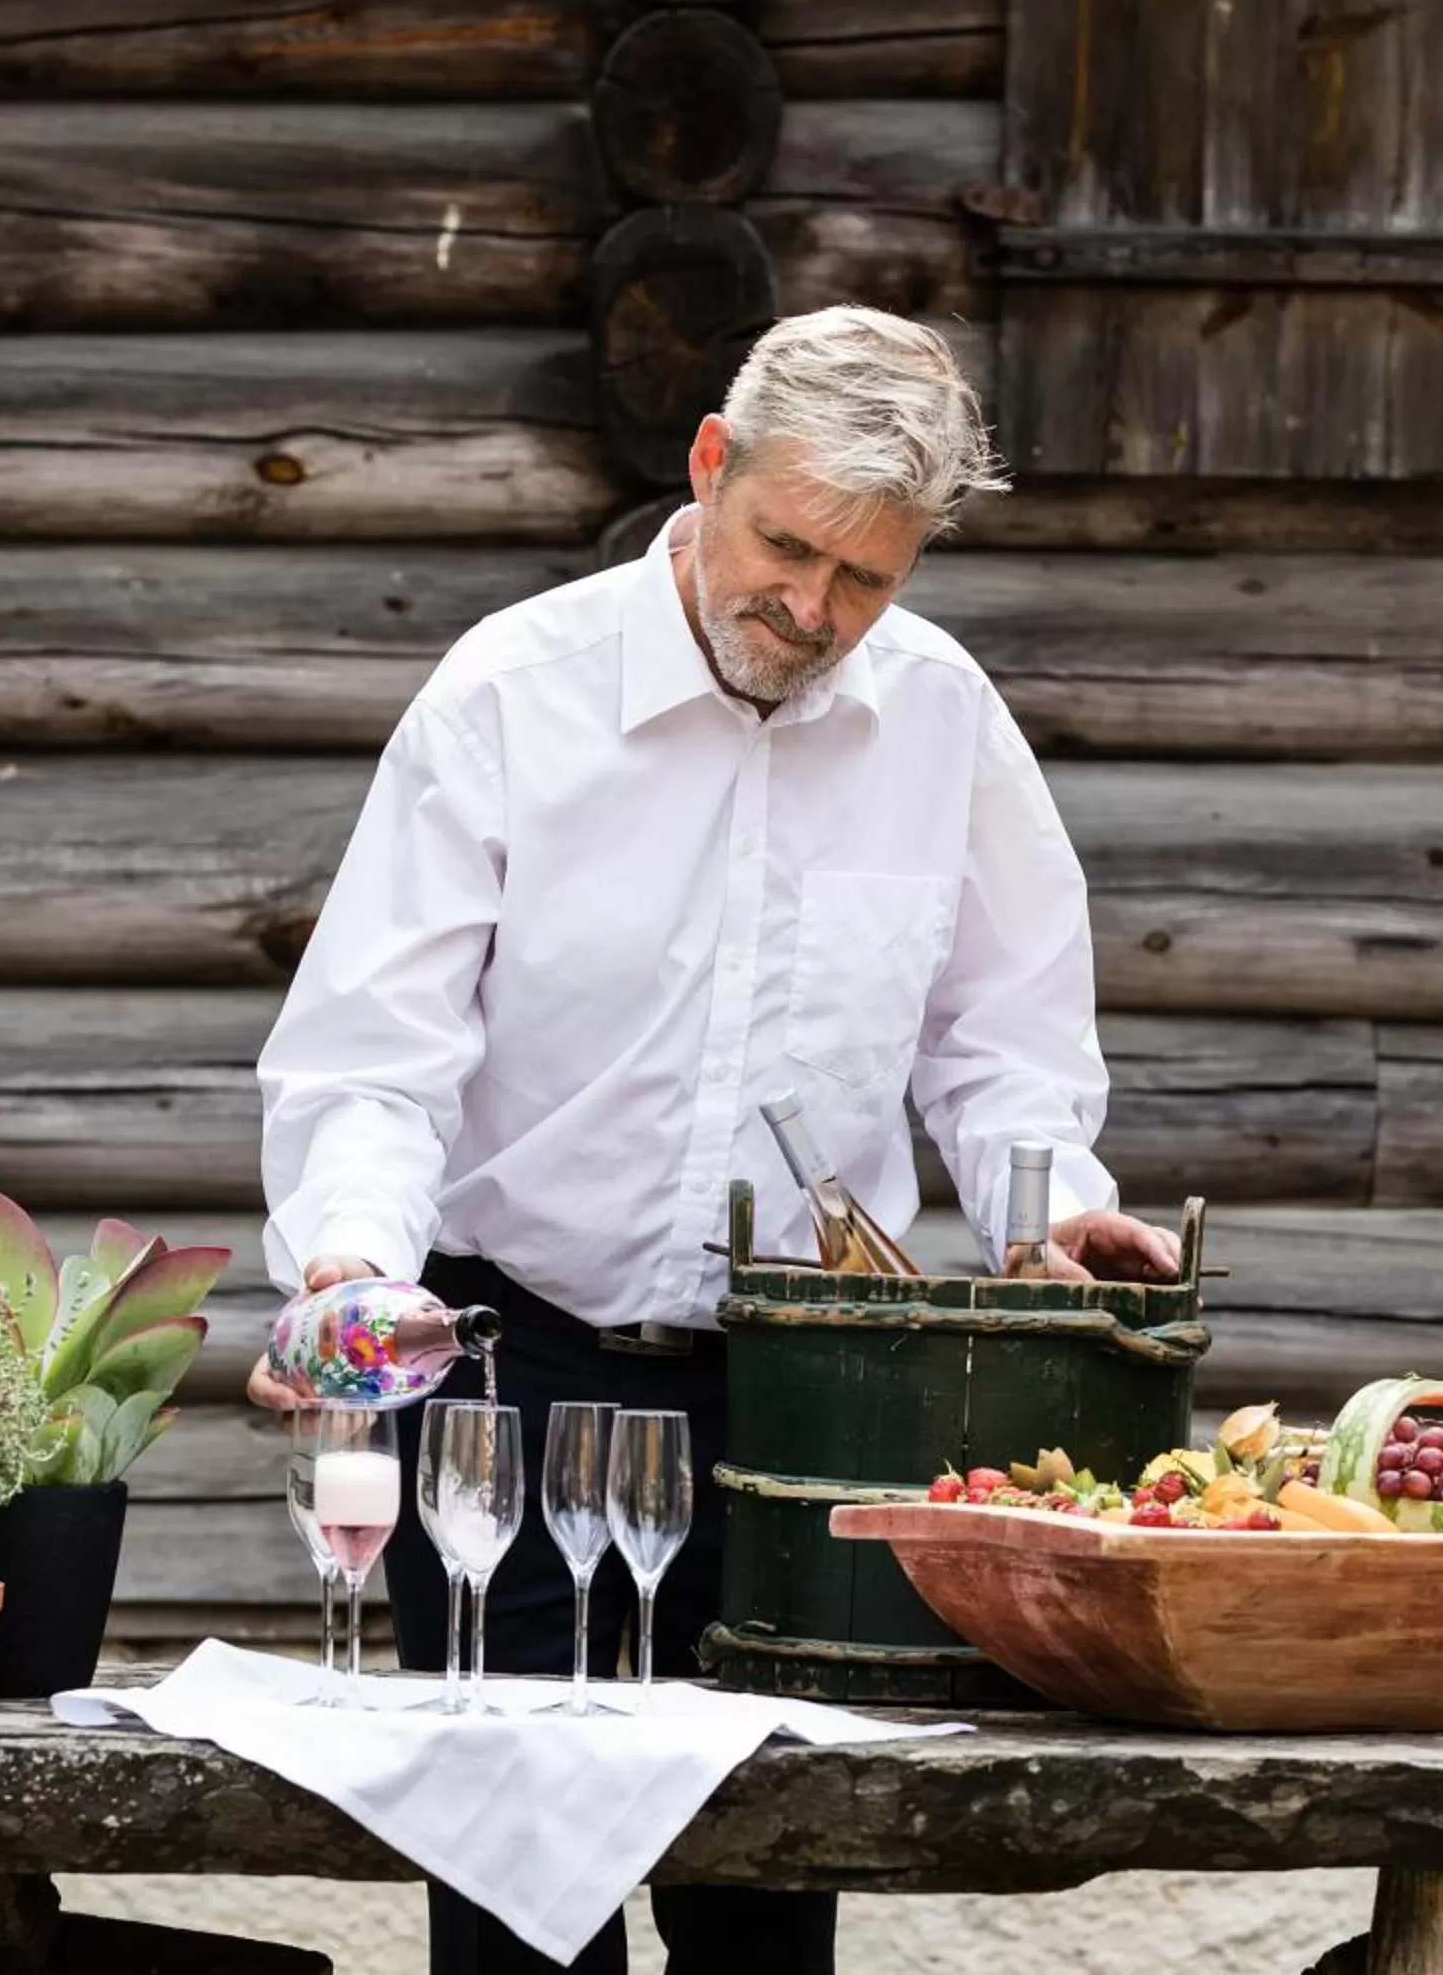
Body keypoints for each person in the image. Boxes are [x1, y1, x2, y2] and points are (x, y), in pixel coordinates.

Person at [251, 304, 1184, 1974]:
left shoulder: (945, 722)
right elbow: (371, 1064)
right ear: (708, 466)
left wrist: (1046, 1221)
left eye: (869, 581)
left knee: (767, 1912)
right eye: (786, 547)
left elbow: (1005, 1044)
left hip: (803, 1403)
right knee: (519, 1928)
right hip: (504, 1390)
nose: (814, 612)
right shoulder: (507, 701)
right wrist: (349, 1273)